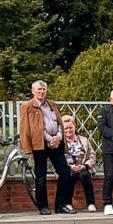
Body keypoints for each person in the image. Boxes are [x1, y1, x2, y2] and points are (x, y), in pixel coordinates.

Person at [19, 80, 70, 215]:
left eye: (43, 89)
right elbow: (26, 128)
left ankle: (61, 205)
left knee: (65, 173)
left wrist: (59, 137)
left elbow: (59, 122)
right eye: (39, 89)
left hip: (56, 144)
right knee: (41, 176)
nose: (41, 92)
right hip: (40, 145)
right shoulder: (27, 106)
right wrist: (27, 147)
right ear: (33, 91)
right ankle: (43, 206)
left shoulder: (52, 104)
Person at [61, 117, 97, 211]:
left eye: (70, 127)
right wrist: (70, 167)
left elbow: (92, 155)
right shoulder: (60, 142)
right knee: (70, 176)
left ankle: (91, 203)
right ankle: (68, 203)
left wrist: (85, 165)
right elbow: (58, 158)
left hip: (83, 167)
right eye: (66, 128)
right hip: (68, 168)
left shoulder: (84, 140)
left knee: (85, 176)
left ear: (74, 127)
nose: (69, 130)